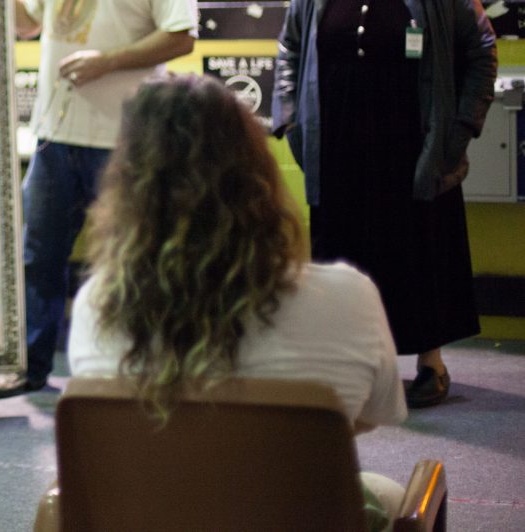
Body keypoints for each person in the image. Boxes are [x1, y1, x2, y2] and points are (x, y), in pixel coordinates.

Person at [66, 74, 408, 531]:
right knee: (392, 494)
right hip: (295, 514)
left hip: (155, 517)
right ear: (259, 175)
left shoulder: (95, 304)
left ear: (126, 189)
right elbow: (370, 416)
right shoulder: (350, 297)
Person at [272, 0, 497, 408]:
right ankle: (350, 363)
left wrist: (460, 129)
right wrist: (292, 122)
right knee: (341, 258)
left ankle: (430, 364)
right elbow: (289, 52)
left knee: (418, 250)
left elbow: (481, 50)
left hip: (414, 144)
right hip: (339, 146)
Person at [0, 0, 197, 399]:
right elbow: (27, 22)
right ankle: (31, 367)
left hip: (125, 139)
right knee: (39, 257)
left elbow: (181, 34)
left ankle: (137, 368)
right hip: (56, 136)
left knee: (130, 257)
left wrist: (110, 62)